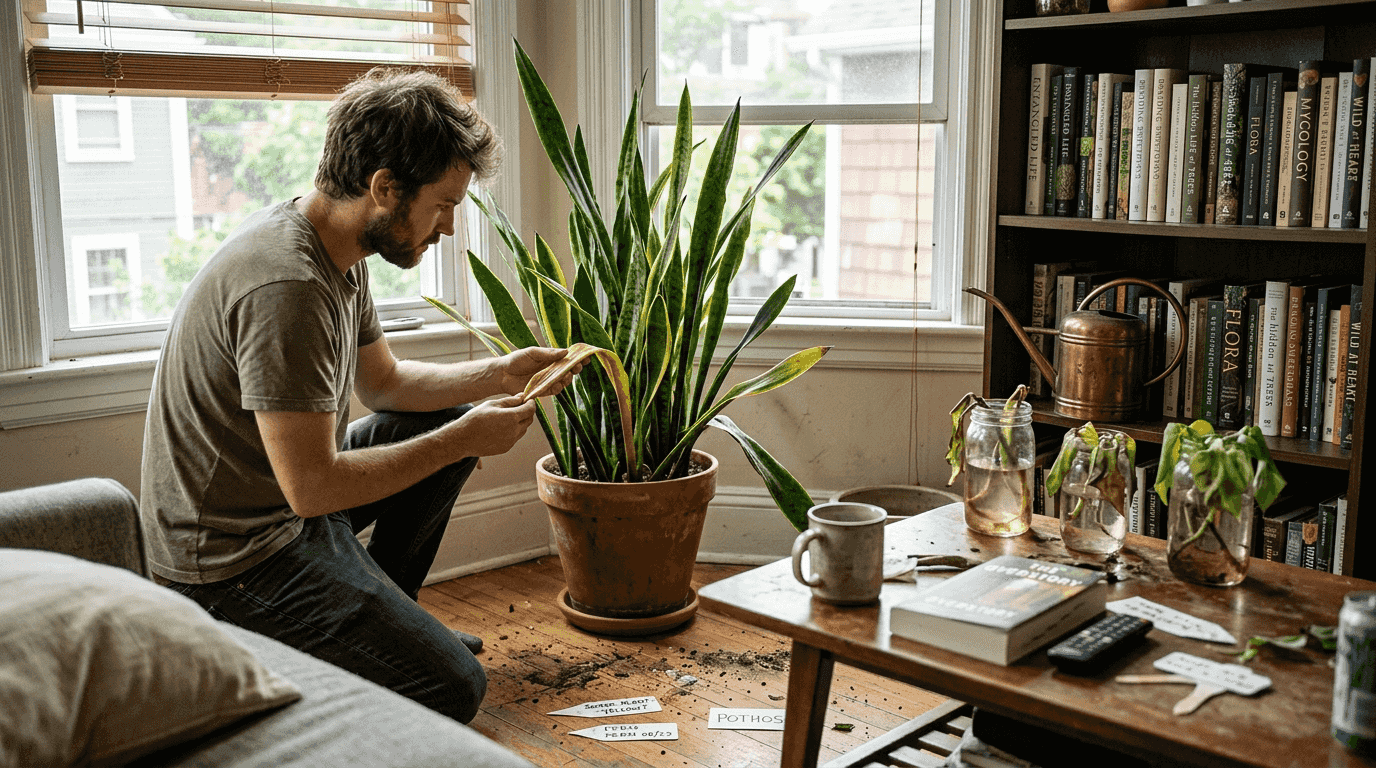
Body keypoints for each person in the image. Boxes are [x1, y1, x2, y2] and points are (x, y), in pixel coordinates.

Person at [139, 68, 575, 724]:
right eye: (444, 204)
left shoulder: (333, 249)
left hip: (283, 516)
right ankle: (352, 653)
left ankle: (383, 623)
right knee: (453, 687)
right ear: (383, 189)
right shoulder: (288, 285)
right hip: (230, 566)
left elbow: (386, 385)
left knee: (444, 421)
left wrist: (500, 373)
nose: (448, 228)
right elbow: (312, 488)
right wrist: (465, 437)